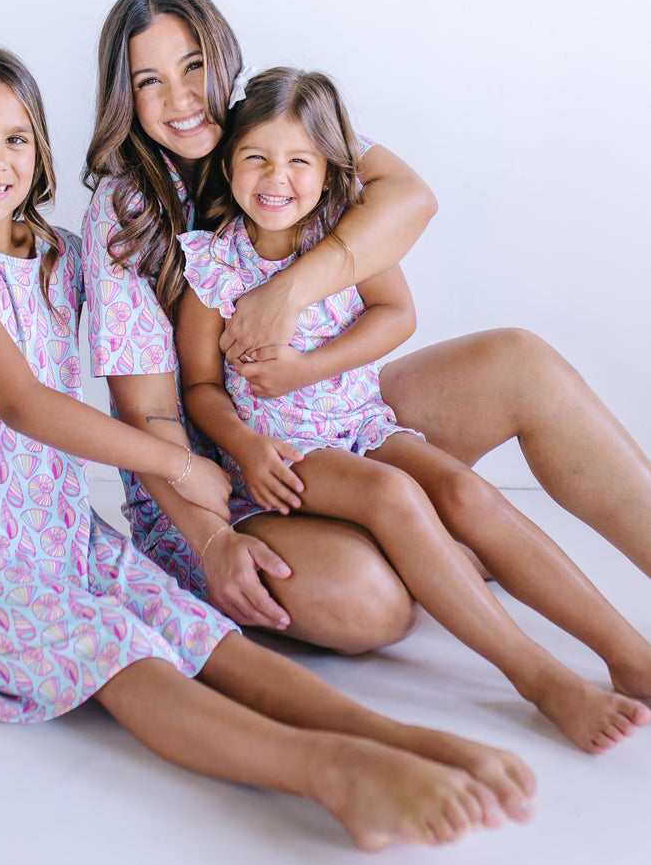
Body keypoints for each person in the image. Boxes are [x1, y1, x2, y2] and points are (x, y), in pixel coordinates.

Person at [0, 38, 537, 851]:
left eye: (14, 138)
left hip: (61, 533)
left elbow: (386, 199)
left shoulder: (57, 255)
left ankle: (401, 738)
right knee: (126, 655)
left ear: (38, 147)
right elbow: (23, 404)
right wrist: (180, 465)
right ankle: (329, 771)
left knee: (197, 632)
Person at [81, 0, 651, 660]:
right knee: (373, 605)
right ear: (123, 95)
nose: (180, 98)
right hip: (212, 480)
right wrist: (211, 538)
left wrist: (288, 292)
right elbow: (150, 414)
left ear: (223, 58)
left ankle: (437, 543)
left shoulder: (273, 121)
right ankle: (430, 551)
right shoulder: (125, 211)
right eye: (149, 81)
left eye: (194, 66)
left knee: (520, 363)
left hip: (333, 416)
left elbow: (410, 198)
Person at [174, 66, 651, 753]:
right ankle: (540, 678)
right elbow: (200, 389)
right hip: (285, 452)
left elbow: (396, 314)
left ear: (330, 170)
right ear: (228, 165)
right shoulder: (212, 270)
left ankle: (628, 652)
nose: (277, 178)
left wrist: (309, 367)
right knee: (395, 495)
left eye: (299, 161)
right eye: (256, 158)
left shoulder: (342, 235)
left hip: (364, 422)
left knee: (465, 493)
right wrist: (247, 448)